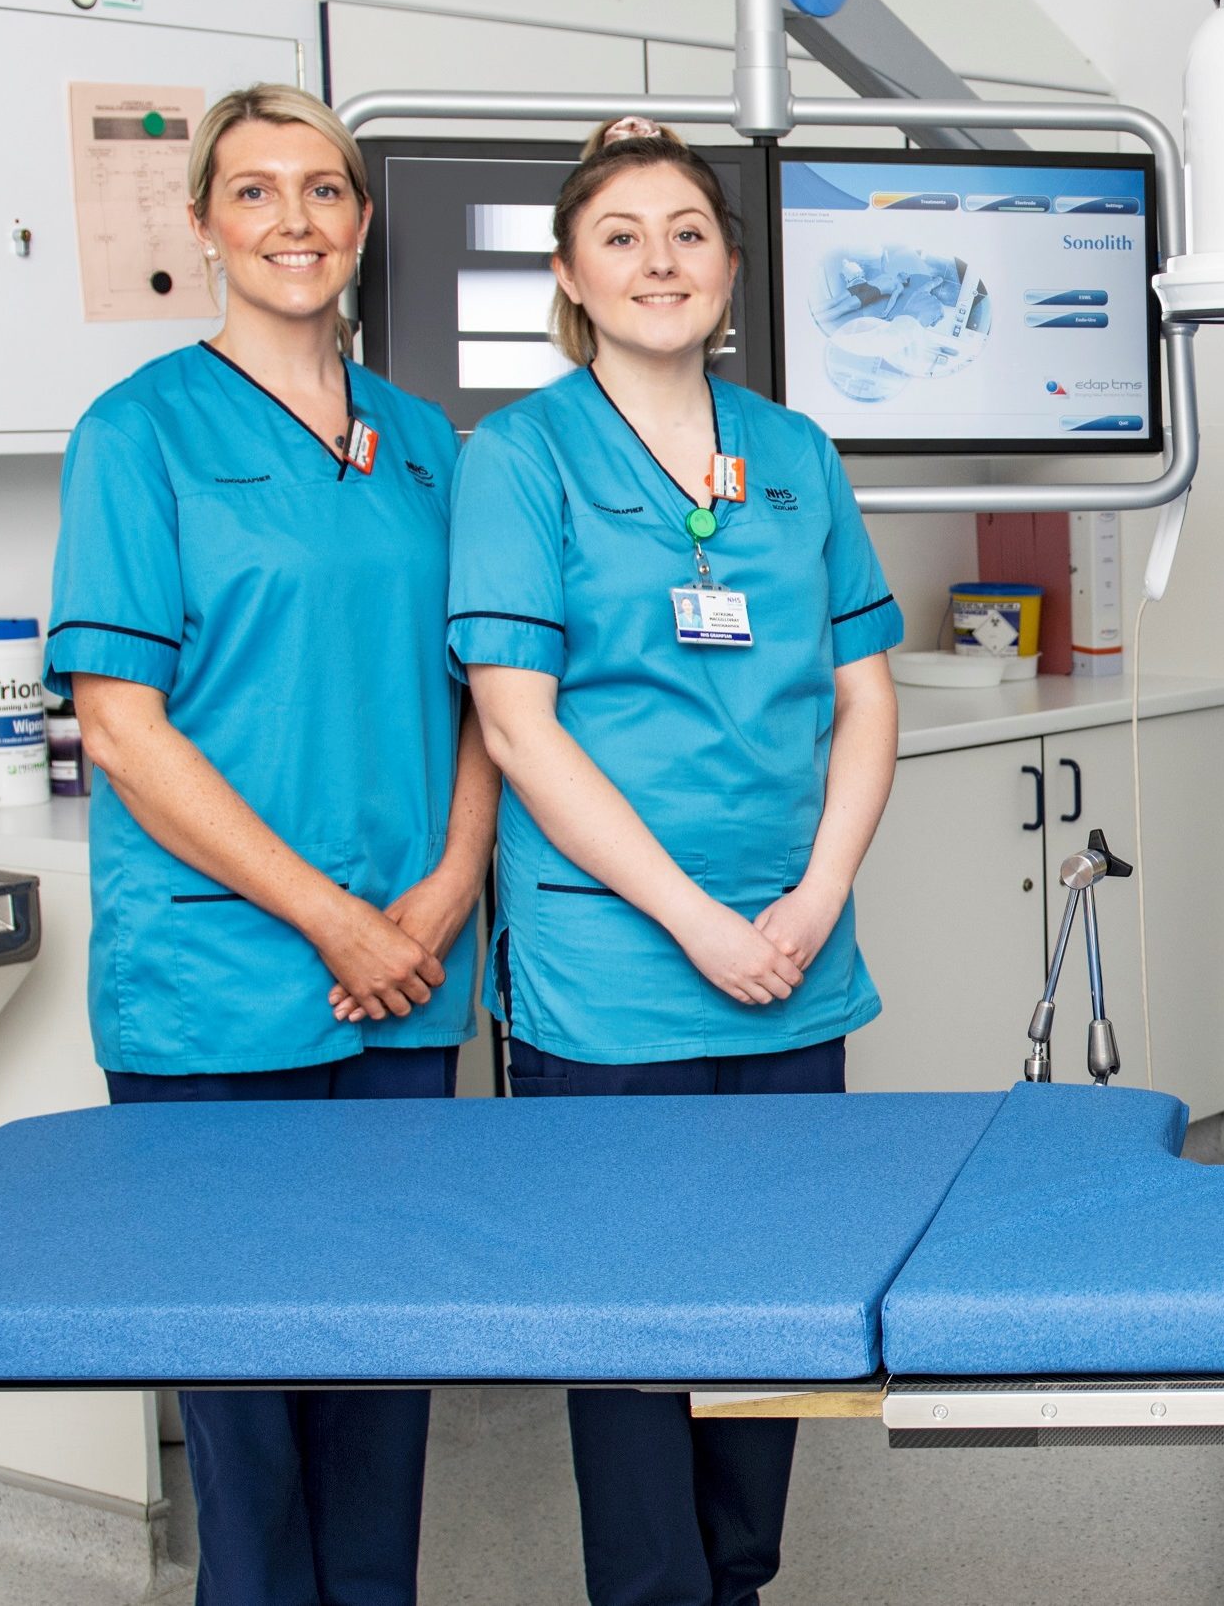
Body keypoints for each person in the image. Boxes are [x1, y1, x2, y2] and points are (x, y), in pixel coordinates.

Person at [47, 82, 494, 1606]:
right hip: (220, 987)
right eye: (255, 192)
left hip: (412, 969)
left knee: (381, 1384)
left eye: (322, 191)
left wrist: (434, 898)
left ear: (363, 223)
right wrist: (338, 921)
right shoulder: (138, 435)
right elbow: (124, 727)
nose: (292, 220)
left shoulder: (429, 442)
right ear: (204, 227)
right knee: (250, 1414)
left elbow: (490, 698)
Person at [447, 118, 901, 1606]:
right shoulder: (519, 457)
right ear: (573, 278)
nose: (661, 259)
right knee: (634, 1324)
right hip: (616, 967)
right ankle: (654, 1593)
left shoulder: (793, 453)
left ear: (730, 268)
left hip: (794, 949)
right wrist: (701, 920)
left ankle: (742, 1578)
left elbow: (864, 692)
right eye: (624, 236)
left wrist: (818, 895)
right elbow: (518, 727)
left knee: (771, 1307)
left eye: (689, 232)